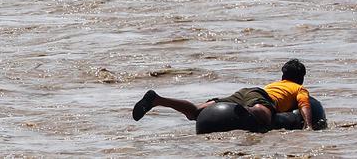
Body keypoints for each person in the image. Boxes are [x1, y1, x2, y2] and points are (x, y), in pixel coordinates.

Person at [131, 59, 315, 132]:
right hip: (258, 98)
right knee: (265, 118)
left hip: (245, 92)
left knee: (195, 112)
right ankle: (243, 111)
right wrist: (308, 126)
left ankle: (158, 100)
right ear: (302, 78)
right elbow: (305, 106)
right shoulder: (299, 89)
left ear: (282, 75)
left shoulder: (275, 84)